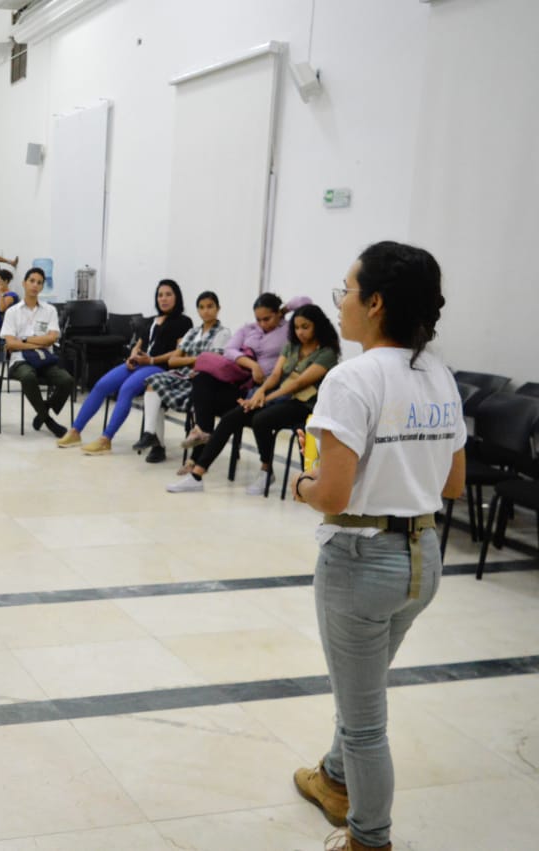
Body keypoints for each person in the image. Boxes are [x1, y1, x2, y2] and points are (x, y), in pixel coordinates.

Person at [290, 242, 465, 851]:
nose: (340, 303)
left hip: (362, 564)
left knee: (365, 722)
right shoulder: (438, 372)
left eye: (346, 291)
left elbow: (333, 495)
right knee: (359, 684)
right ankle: (334, 781)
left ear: (376, 302)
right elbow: (453, 483)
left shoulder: (351, 377)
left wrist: (303, 483)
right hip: (424, 558)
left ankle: (370, 839)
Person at [167, 304, 340, 494]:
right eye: (297, 327)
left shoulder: (327, 353)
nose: (300, 332)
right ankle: (196, 476)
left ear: (318, 326)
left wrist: (264, 399)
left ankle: (266, 471)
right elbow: (275, 376)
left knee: (261, 419)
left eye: (305, 327)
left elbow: (297, 384)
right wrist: (259, 393)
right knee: (230, 418)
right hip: (279, 398)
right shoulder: (292, 346)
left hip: (303, 404)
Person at [57, 279, 193, 455]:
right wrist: (132, 356)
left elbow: (179, 353)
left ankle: (106, 439)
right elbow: (139, 343)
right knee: (101, 385)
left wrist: (151, 360)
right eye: (160, 295)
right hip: (140, 363)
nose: (163, 299)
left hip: (160, 367)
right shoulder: (153, 320)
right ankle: (75, 431)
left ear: (177, 297)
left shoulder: (183, 322)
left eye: (168, 294)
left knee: (126, 389)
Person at [181, 293, 311, 460]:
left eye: (267, 318)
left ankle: (197, 458)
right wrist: (253, 366)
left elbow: (305, 303)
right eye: (259, 319)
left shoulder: (288, 329)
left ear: (278, 313)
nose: (263, 324)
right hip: (241, 384)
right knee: (202, 379)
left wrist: (283, 310)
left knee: (222, 414)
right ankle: (202, 433)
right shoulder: (248, 329)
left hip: (265, 392)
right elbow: (229, 350)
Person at [139, 290, 232, 464]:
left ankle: (158, 442)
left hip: (204, 381)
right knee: (154, 382)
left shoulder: (223, 333)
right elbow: (173, 360)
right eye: (202, 307)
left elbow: (212, 363)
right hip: (184, 375)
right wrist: (197, 359)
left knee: (162, 390)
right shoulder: (192, 332)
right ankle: (151, 435)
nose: (206, 311)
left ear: (218, 309)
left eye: (210, 306)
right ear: (197, 310)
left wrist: (189, 360)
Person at [0, 266, 74, 438]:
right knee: (27, 376)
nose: (35, 285)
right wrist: (36, 342)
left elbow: (51, 339)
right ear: (24, 283)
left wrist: (24, 340)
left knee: (67, 380)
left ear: (42, 287)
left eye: (39, 282)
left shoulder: (50, 310)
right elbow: (10, 343)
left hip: (44, 359)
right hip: (19, 361)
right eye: (32, 281)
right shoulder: (12, 312)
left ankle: (43, 410)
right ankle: (48, 421)